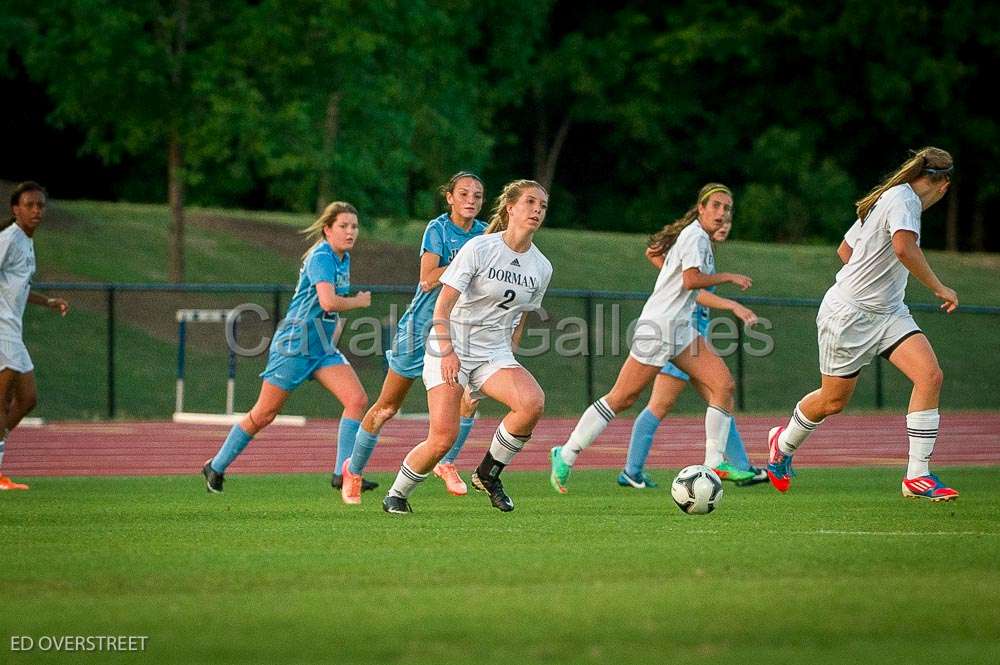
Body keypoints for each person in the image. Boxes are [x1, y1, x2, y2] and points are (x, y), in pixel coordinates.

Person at [766, 147, 960, 500]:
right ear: (942, 185)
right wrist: (939, 287)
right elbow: (904, 248)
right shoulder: (903, 201)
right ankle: (782, 443)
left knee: (930, 375)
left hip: (888, 312)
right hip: (849, 315)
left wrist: (874, 279)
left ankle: (917, 476)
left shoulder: (890, 198)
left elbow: (846, 250)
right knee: (832, 401)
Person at [550, 183, 752, 494]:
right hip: (658, 327)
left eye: (727, 208)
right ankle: (565, 453)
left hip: (681, 328)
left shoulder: (700, 239)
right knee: (622, 398)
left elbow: (677, 274)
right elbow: (690, 280)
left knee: (723, 385)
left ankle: (714, 464)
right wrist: (728, 277)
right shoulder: (696, 236)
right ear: (701, 208)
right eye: (716, 206)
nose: (722, 213)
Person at [382, 179, 553, 514]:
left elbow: (520, 318)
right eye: (530, 202)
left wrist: (508, 360)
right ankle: (397, 494)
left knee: (531, 403)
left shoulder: (541, 267)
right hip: (451, 345)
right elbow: (442, 306)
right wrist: (447, 352)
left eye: (542, 206)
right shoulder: (480, 248)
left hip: (493, 353)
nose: (536, 210)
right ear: (510, 208)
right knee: (442, 439)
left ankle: (488, 474)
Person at [201, 201, 371, 493]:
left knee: (357, 400)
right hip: (295, 346)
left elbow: (330, 311)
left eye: (354, 226)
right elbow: (328, 301)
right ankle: (215, 466)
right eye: (343, 226)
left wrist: (333, 338)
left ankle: (343, 474)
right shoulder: (322, 257)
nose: (350, 231)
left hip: (321, 348)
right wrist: (358, 301)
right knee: (264, 414)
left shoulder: (342, 258)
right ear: (327, 229)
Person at [339, 172, 487, 505]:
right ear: (449, 197)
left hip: (456, 334)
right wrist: (466, 268)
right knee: (388, 407)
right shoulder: (438, 229)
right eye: (463, 193)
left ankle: (446, 463)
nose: (471, 200)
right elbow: (428, 278)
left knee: (471, 399)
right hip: (420, 332)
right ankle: (354, 470)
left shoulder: (484, 236)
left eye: (477, 195)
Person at [621, 215, 767, 489]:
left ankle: (742, 467)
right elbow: (690, 287)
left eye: (729, 220)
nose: (724, 224)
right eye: (719, 217)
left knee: (720, 394)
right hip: (679, 334)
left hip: (692, 334)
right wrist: (731, 304)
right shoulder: (693, 244)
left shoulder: (704, 251)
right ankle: (631, 470)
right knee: (662, 404)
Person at [0, 181, 70, 491]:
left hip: (13, 328)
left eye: (40, 205)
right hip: (1, 328)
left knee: (27, 399)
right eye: (29, 205)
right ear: (16, 209)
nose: (36, 210)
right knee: (2, 401)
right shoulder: (9, 238)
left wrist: (48, 301)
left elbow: (18, 287)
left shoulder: (27, 242)